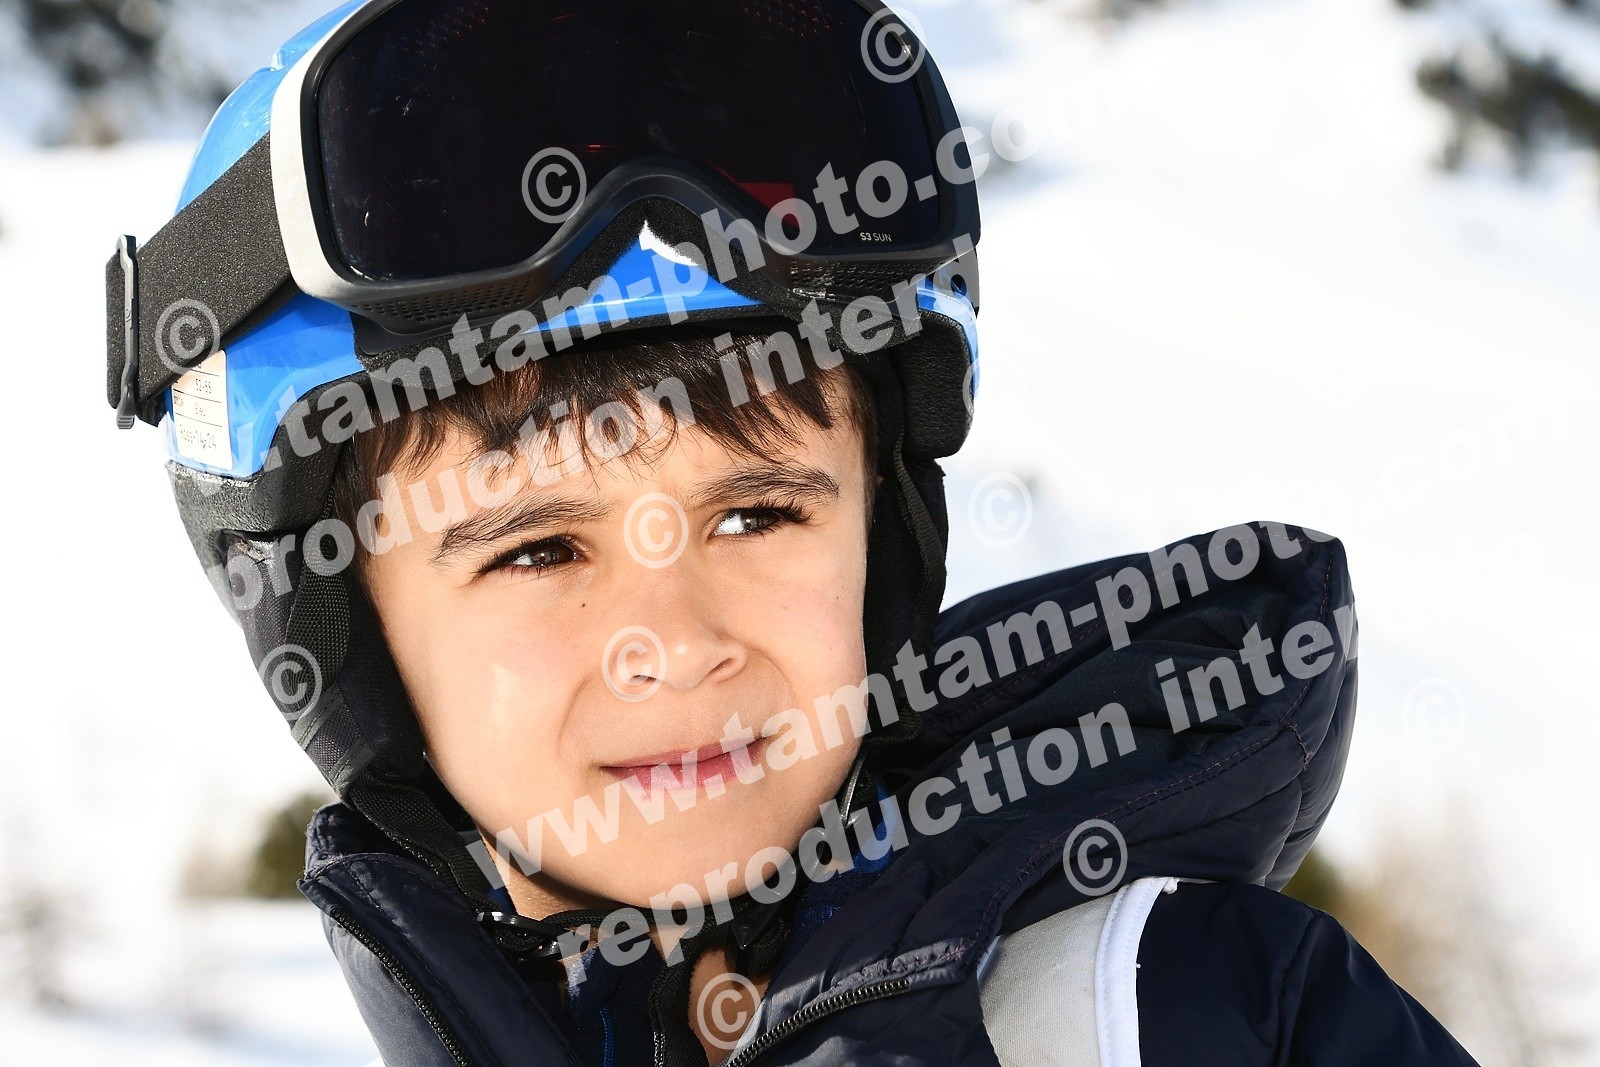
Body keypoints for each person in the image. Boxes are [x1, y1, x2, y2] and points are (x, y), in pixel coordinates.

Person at [104, 1, 1480, 1063]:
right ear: (344, 631)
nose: (673, 642)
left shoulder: (1182, 1013)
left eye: (757, 513)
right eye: (538, 549)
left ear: (880, 539)